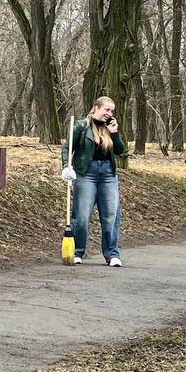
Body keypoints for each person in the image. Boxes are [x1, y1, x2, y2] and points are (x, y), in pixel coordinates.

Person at [60, 95, 126, 266]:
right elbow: (68, 147)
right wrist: (66, 166)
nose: (109, 113)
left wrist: (115, 133)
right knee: (82, 214)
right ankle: (77, 252)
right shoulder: (82, 126)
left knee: (111, 214)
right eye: (106, 109)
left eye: (112, 110)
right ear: (97, 108)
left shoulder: (110, 127)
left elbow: (120, 150)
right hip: (86, 173)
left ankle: (112, 254)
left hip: (108, 174)